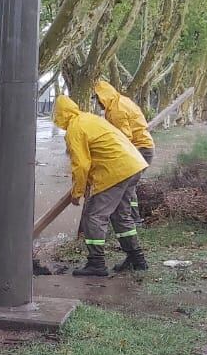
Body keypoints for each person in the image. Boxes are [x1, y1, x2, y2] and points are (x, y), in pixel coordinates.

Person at [54, 95, 149, 276]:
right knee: (121, 215)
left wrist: (77, 191)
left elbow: (81, 164)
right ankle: (137, 259)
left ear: (60, 116)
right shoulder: (89, 118)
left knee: (94, 216)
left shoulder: (75, 128)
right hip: (133, 164)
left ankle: (96, 263)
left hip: (115, 171)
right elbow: (96, 153)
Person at [93, 80, 155, 222]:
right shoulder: (119, 102)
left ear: (103, 96)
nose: (97, 103)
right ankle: (133, 218)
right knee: (129, 186)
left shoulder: (117, 110)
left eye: (97, 99)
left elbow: (124, 138)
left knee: (125, 186)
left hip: (139, 150)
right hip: (142, 148)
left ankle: (126, 220)